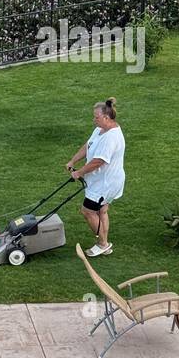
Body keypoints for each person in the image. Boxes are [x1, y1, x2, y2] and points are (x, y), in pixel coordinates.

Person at [65, 98, 125, 257]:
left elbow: (99, 161)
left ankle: (103, 244)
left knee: (87, 211)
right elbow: (88, 145)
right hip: (100, 181)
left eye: (96, 117)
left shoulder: (111, 137)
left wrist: (79, 172)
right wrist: (73, 160)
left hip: (106, 183)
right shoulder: (100, 129)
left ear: (106, 118)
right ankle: (104, 243)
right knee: (102, 210)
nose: (94, 120)